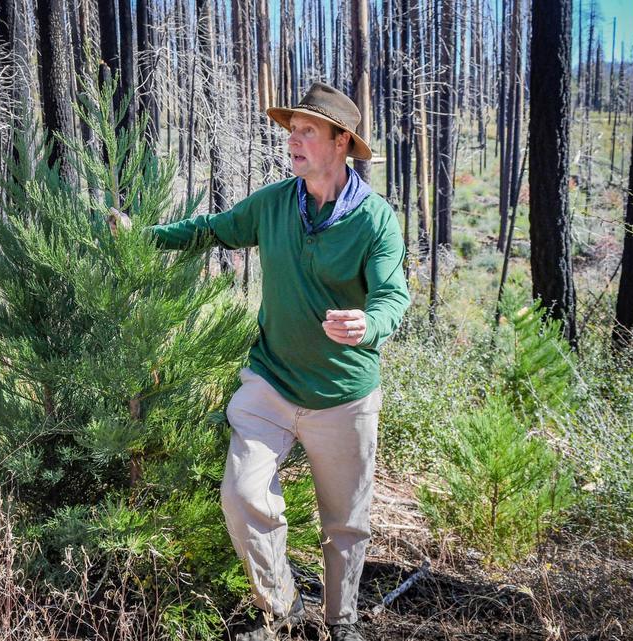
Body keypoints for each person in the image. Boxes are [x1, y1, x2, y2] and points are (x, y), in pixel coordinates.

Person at [109, 82, 410, 641]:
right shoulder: (274, 204)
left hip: (345, 397)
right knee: (243, 494)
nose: (292, 141)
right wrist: (143, 238)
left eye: (307, 132)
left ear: (342, 142)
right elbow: (212, 230)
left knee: (344, 524)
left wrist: (369, 323)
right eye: (291, 131)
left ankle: (341, 623)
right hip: (270, 383)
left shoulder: (375, 220)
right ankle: (285, 612)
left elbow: (393, 295)